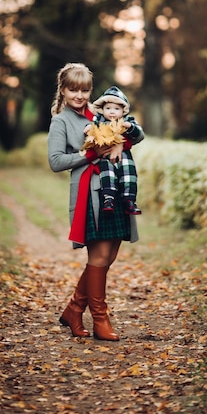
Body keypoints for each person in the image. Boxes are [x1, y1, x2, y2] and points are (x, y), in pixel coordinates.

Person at [47, 63, 144, 341]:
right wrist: (90, 154)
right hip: (91, 194)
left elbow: (136, 133)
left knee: (109, 255)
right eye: (73, 89)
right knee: (99, 257)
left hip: (116, 189)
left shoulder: (102, 111)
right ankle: (100, 319)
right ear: (63, 90)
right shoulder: (61, 121)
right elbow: (55, 162)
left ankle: (74, 309)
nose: (79, 95)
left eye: (85, 90)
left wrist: (122, 143)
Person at [83, 85, 142, 216]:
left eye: (116, 109)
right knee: (107, 175)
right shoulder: (99, 120)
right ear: (102, 109)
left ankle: (129, 200)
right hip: (106, 155)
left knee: (128, 175)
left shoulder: (127, 120)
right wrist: (88, 129)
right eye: (108, 108)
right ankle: (108, 199)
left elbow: (138, 133)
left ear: (123, 110)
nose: (112, 112)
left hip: (124, 155)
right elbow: (92, 128)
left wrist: (130, 127)